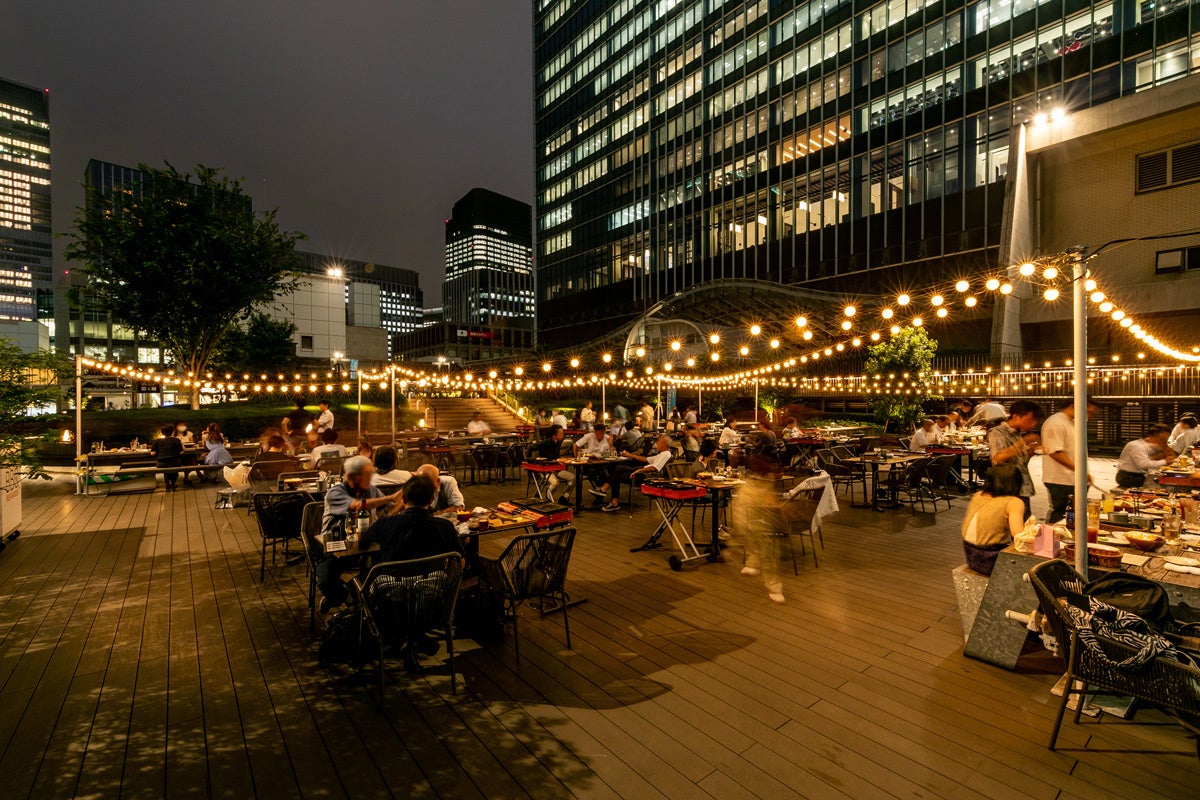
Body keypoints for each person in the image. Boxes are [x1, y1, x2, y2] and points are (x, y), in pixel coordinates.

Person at [315, 456, 402, 612]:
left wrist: (405, 497)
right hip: (338, 547)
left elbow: (390, 509)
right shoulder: (335, 492)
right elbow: (357, 506)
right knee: (325, 579)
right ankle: (345, 597)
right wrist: (390, 497)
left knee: (390, 565)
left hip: (368, 546)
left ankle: (367, 602)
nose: (371, 477)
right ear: (353, 476)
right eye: (367, 474)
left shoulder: (372, 490)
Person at [1040, 397, 1099, 523]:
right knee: (1061, 514)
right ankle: (1050, 536)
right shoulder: (1056, 423)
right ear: (1074, 406)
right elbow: (1054, 452)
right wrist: (1080, 470)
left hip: (1075, 479)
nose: (1089, 416)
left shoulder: (1074, 422)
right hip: (1061, 480)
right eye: (1088, 412)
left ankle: (1069, 535)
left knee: (1074, 516)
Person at [961, 463, 1027, 575]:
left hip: (970, 554)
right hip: (992, 558)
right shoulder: (1013, 502)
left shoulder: (978, 495)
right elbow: (1019, 536)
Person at [986, 399, 1044, 518]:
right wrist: (1022, 442)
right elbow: (998, 458)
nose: (1033, 424)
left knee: (1025, 524)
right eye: (1031, 420)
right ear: (1016, 416)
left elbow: (1019, 461)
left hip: (1022, 487)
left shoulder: (1018, 433)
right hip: (1008, 488)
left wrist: (1031, 451)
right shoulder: (997, 432)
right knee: (1016, 525)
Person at [595, 435, 674, 512]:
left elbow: (654, 467)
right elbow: (646, 459)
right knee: (616, 473)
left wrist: (639, 470)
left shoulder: (666, 454)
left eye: (659, 441)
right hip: (643, 472)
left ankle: (605, 491)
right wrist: (631, 456)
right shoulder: (662, 454)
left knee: (618, 469)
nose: (657, 443)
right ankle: (612, 500)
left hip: (646, 476)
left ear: (664, 444)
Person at [1115, 423, 1172, 488]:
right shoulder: (1137, 446)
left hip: (1138, 475)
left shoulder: (1149, 445)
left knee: (1167, 480)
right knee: (1160, 485)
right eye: (1162, 439)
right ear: (1155, 436)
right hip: (1128, 477)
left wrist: (1165, 450)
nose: (1164, 441)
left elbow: (1162, 454)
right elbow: (1143, 464)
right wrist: (1165, 461)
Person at [536, 424, 575, 503]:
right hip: (545, 469)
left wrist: (561, 459)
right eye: (561, 433)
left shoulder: (558, 442)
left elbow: (556, 456)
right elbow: (532, 448)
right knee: (556, 483)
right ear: (554, 436)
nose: (563, 434)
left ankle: (564, 497)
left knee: (573, 478)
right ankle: (548, 499)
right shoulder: (545, 443)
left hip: (556, 468)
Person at [150, 423, 184, 492]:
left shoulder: (158, 441)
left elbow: (152, 453)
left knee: (166, 467)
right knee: (173, 468)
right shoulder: (176, 440)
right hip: (174, 462)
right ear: (173, 432)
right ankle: (173, 483)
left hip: (161, 463)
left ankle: (167, 483)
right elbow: (181, 452)